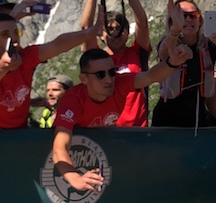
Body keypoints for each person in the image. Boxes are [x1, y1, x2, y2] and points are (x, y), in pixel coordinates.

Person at [52, 44, 192, 192]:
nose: (109, 79)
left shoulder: (120, 83)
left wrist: (173, 62)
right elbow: (59, 147)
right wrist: (74, 177)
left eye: (112, 72)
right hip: (79, 157)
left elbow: (151, 76)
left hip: (106, 157)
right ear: (83, 79)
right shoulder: (73, 100)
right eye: (100, 75)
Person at [0, 11, 103, 129]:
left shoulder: (26, 57)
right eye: (5, 34)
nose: (14, 38)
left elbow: (59, 45)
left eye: (16, 32)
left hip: (20, 133)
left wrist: (91, 32)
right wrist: (3, 67)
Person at [81, 0, 151, 127]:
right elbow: (85, 27)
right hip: (106, 131)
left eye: (120, 29)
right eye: (109, 29)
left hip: (137, 130)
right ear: (101, 35)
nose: (115, 34)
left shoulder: (137, 53)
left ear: (127, 33)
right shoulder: (95, 57)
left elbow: (142, 22)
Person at [152, 0, 216, 128]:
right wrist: (175, 30)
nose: (187, 19)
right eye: (182, 15)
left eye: (193, 15)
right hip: (167, 123)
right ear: (172, 21)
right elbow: (164, 53)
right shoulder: (169, 42)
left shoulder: (208, 46)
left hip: (198, 123)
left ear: (200, 21)